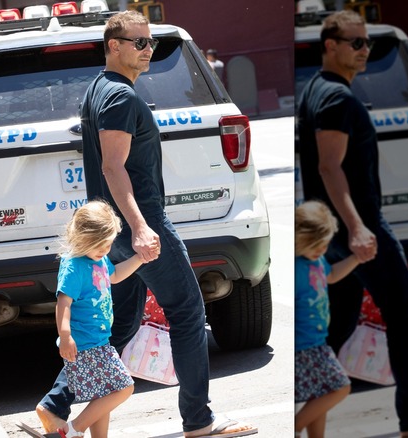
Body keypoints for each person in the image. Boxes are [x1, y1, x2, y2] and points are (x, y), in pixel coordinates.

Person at [36, 10, 256, 438]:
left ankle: (55, 404)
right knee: (188, 311)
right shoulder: (120, 97)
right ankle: (199, 419)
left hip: (109, 228)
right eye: (139, 42)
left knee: (120, 323)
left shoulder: (98, 89)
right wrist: (140, 227)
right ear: (113, 46)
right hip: (136, 222)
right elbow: (113, 166)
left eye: (150, 42)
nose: (148, 50)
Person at [296, 10, 408, 437]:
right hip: (356, 227)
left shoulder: (316, 91)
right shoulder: (337, 98)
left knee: (336, 325)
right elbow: (329, 166)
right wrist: (358, 228)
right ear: (330, 45)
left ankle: (306, 416)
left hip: (332, 230)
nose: (363, 50)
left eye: (366, 43)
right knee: (406, 314)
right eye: (354, 42)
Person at [49, 200, 142, 437]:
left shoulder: (98, 259)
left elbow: (115, 275)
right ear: (82, 239)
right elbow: (63, 303)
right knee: (124, 388)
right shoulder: (74, 266)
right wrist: (65, 335)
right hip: (84, 344)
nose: (104, 250)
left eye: (108, 245)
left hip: (99, 339)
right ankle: (71, 430)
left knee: (105, 392)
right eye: (99, 245)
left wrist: (140, 259)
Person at [294, 200, 359, 438]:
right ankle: (295, 427)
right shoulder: (297, 268)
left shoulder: (316, 260)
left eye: (325, 245)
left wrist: (356, 259)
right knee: (341, 387)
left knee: (320, 394)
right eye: (316, 245)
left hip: (317, 341)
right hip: (305, 346)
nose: (322, 250)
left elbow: (331, 275)